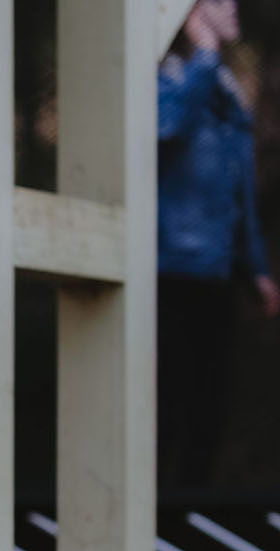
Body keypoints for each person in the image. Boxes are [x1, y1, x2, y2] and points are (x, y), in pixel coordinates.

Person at [158, 0, 279, 492]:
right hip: (170, 267)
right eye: (220, 2)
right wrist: (204, 57)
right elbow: (165, 128)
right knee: (171, 404)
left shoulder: (226, 89)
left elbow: (238, 187)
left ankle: (186, 523)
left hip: (218, 270)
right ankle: (159, 525)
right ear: (190, 13)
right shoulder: (169, 79)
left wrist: (256, 268)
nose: (234, 10)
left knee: (212, 407)